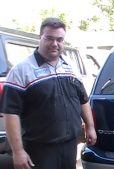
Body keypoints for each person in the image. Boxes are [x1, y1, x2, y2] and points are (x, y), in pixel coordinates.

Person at [0, 17, 97, 169]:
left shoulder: (70, 67)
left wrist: (90, 127)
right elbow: (11, 113)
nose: (55, 44)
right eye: (49, 38)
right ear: (40, 37)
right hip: (39, 148)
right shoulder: (21, 71)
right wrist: (18, 151)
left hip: (70, 144)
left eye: (59, 39)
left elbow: (83, 100)